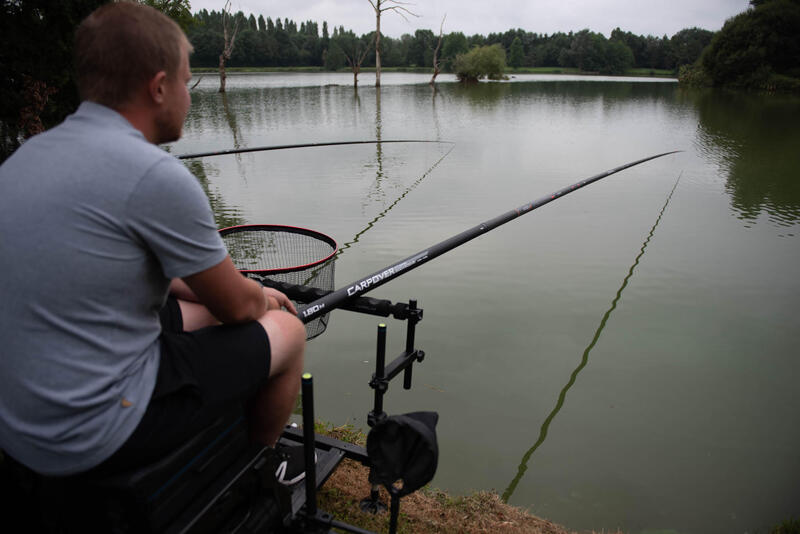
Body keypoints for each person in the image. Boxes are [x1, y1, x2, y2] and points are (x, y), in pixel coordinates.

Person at [0, 2, 306, 483]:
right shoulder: (155, 175)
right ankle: (258, 471)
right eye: (187, 81)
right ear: (159, 87)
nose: (189, 95)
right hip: (90, 432)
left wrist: (221, 293)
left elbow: (120, 272)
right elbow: (237, 310)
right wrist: (262, 297)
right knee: (287, 332)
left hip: (19, 422)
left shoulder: (26, 157)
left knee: (200, 314)